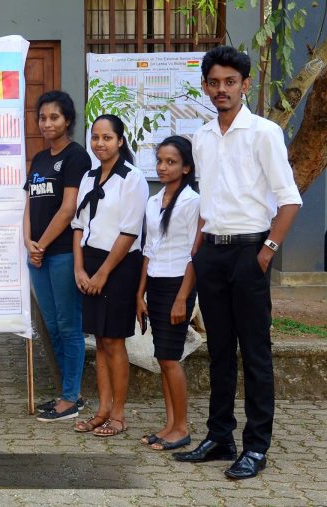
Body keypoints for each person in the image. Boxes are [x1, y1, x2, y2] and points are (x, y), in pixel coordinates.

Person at [173, 46, 302, 480]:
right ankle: (219, 437)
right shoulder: (202, 137)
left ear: (245, 85)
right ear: (205, 86)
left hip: (250, 253)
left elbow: (289, 199)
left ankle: (256, 446)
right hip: (212, 253)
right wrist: (199, 250)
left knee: (256, 353)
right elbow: (208, 201)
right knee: (220, 351)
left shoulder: (264, 133)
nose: (222, 89)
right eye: (214, 82)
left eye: (230, 82)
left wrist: (267, 252)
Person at [70, 114, 148, 437]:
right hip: (89, 263)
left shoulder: (132, 178)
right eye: (95, 137)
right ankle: (102, 410)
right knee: (99, 340)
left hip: (119, 265)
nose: (100, 143)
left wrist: (102, 274)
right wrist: (79, 268)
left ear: (120, 141)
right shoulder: (89, 177)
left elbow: (129, 232)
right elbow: (78, 226)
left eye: (107, 138)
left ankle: (118, 414)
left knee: (114, 340)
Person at [22, 91, 91, 422]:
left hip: (62, 253)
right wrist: (28, 242)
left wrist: (42, 245)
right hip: (38, 256)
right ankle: (69, 392)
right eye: (42, 117)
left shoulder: (77, 157)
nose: (47, 123)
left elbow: (68, 209)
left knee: (68, 326)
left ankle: (70, 398)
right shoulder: (39, 159)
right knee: (52, 326)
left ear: (68, 120)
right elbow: (28, 204)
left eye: (54, 117)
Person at [136, 136, 199, 451]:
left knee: (171, 357)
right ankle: (170, 424)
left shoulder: (193, 202)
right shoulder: (153, 201)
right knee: (162, 356)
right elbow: (149, 249)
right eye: (160, 160)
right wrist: (139, 294)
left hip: (178, 284)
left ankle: (182, 428)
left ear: (186, 167)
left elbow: (194, 254)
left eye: (171, 162)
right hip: (156, 283)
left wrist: (182, 298)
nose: (162, 167)